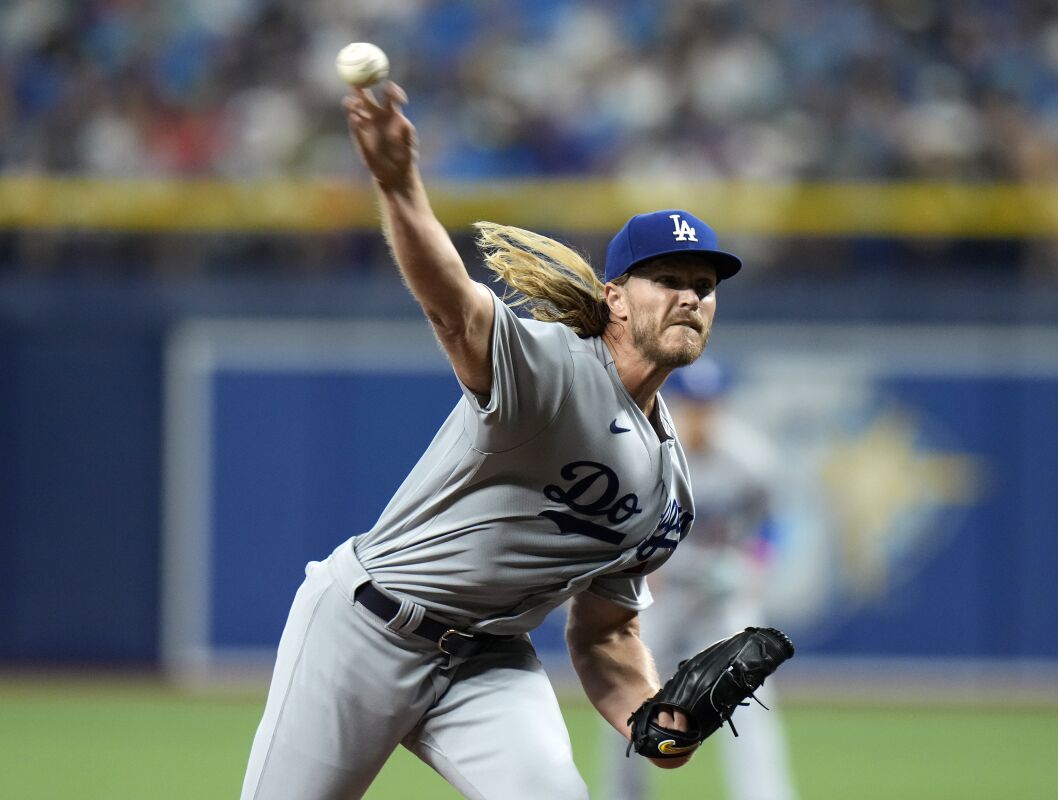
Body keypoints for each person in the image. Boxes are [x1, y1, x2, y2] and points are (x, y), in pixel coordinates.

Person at [239, 80, 745, 800]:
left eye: (704, 284)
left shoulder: (670, 488)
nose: (691, 296)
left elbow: (603, 634)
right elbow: (453, 304)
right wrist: (399, 185)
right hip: (367, 629)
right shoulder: (555, 368)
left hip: (489, 664)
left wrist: (654, 718)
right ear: (615, 298)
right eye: (667, 279)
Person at [602, 358, 799, 800]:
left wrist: (756, 565)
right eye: (692, 404)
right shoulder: (649, 452)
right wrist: (639, 567)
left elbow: (773, 523)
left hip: (722, 599)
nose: (700, 414)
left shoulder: (750, 458)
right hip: (664, 597)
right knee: (631, 697)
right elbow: (619, 520)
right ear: (676, 403)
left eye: (708, 405)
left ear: (722, 406)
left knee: (748, 702)